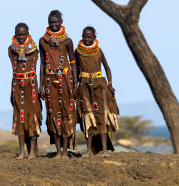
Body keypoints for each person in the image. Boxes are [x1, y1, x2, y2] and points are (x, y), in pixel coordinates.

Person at [38, 10, 78, 158]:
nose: (53, 25)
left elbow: (73, 63)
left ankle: (65, 152)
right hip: (50, 81)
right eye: (51, 22)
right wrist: (40, 86)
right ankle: (58, 152)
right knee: (52, 114)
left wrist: (75, 85)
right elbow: (42, 64)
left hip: (66, 80)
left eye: (56, 22)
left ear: (61, 22)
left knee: (67, 114)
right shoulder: (42, 41)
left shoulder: (67, 41)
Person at [76, 26, 120, 157]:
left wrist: (110, 85)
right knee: (87, 116)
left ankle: (105, 150)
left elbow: (107, 68)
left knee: (101, 116)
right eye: (84, 36)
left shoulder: (99, 51)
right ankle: (89, 150)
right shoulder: (78, 51)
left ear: (95, 37)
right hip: (84, 86)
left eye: (89, 37)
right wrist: (75, 85)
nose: (86, 39)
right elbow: (75, 69)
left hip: (99, 86)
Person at [8, 22, 42, 160]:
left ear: (28, 34)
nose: (21, 37)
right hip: (17, 85)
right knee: (19, 116)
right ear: (15, 34)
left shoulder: (34, 49)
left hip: (31, 84)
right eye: (18, 34)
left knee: (33, 116)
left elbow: (41, 66)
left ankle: (32, 152)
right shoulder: (11, 49)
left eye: (23, 34)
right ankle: (22, 152)